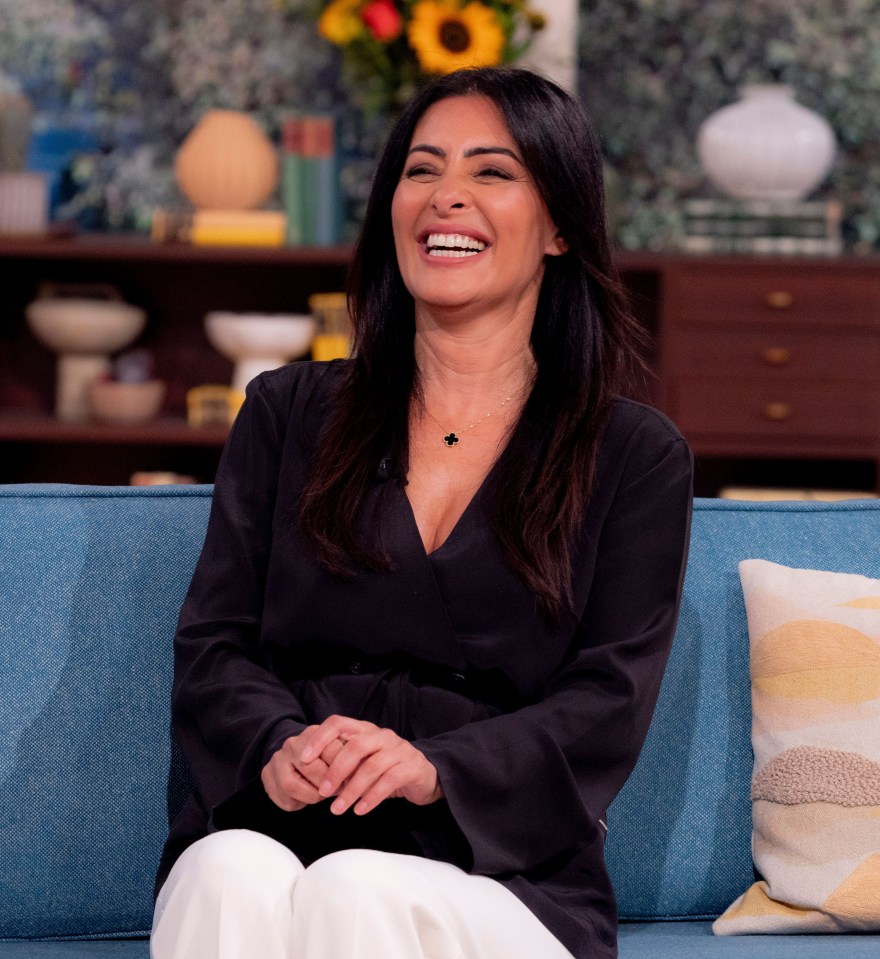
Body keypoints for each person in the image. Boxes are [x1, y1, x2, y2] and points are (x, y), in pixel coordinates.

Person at [150, 66, 693, 959]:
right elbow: (213, 644)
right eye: (421, 169)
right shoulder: (288, 413)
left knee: (356, 888)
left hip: (498, 868)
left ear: (560, 225)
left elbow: (608, 698)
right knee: (224, 869)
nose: (447, 198)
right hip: (290, 818)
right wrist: (278, 745)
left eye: (492, 172)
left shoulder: (632, 454)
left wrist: (438, 767)